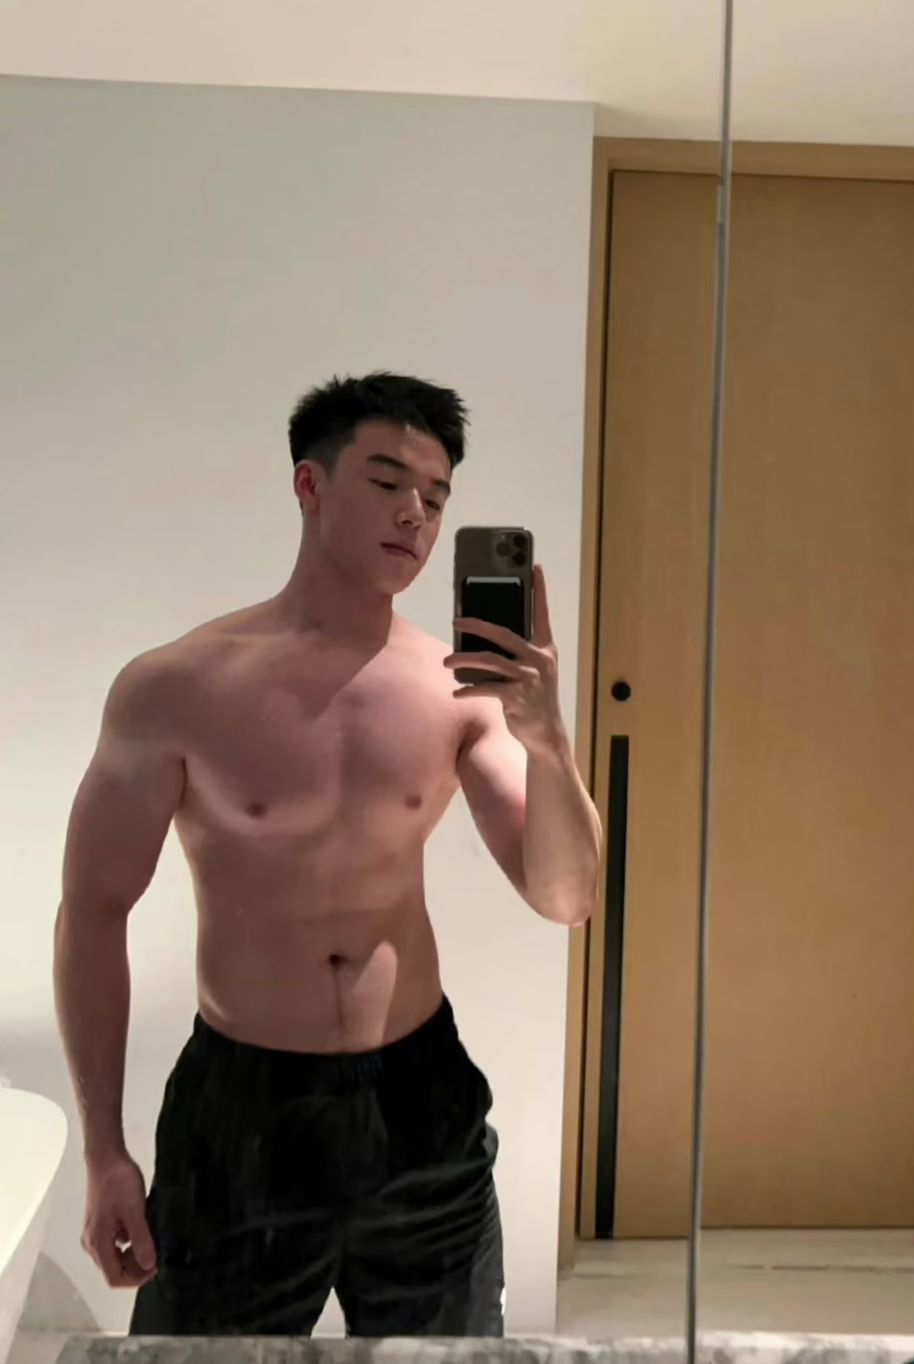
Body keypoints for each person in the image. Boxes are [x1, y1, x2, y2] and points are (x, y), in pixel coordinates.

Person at [52, 372, 601, 1338]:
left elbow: (565, 896)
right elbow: (92, 913)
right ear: (309, 485)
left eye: (436, 497)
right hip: (244, 1108)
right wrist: (104, 1152)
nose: (415, 514)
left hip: (420, 1099)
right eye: (387, 481)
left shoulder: (460, 692)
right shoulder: (177, 688)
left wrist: (549, 741)